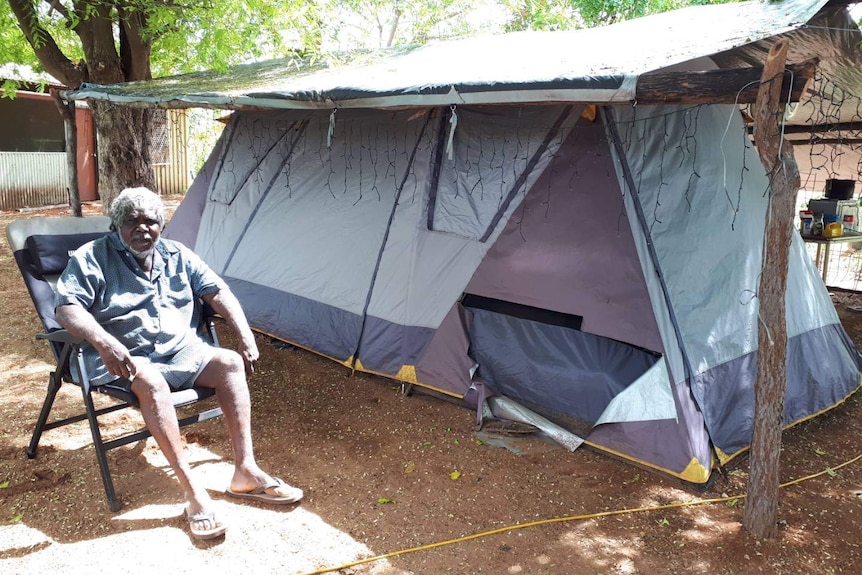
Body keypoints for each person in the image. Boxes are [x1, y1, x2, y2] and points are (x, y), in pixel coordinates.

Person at [54, 187, 302, 540]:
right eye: (132, 222)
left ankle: (245, 471)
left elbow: (218, 291)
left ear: (162, 224)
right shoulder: (91, 257)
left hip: (180, 350)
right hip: (123, 358)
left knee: (229, 362)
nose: (142, 229)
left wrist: (244, 334)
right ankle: (193, 491)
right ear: (115, 225)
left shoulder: (177, 254)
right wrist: (104, 341)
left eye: (151, 221)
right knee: (152, 381)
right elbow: (67, 308)